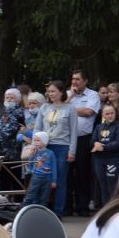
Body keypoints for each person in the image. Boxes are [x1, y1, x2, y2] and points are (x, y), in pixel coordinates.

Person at [34, 80, 78, 217]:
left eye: (53, 91)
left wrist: (72, 151)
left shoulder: (69, 108)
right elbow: (37, 127)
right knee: (44, 178)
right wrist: (36, 145)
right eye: (49, 91)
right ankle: (42, 209)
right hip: (46, 147)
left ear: (61, 92)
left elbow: (74, 131)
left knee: (60, 180)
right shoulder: (44, 108)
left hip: (62, 147)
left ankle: (58, 211)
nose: (50, 94)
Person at [67, 69, 101, 217]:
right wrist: (70, 97)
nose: (74, 82)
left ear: (85, 81)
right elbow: (59, 108)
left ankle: (82, 207)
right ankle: (67, 207)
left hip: (83, 138)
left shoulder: (92, 95)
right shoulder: (68, 95)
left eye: (78, 79)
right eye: (73, 79)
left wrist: (70, 109)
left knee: (82, 173)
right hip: (67, 139)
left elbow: (89, 112)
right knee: (67, 174)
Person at [91, 103, 119, 208]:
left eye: (112, 113)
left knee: (112, 186)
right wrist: (95, 144)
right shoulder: (99, 127)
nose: (110, 115)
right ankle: (105, 210)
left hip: (113, 160)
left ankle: (113, 210)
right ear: (103, 115)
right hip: (99, 160)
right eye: (107, 113)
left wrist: (104, 147)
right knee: (103, 186)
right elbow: (92, 140)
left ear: (115, 113)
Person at [22, 132, 58, 206]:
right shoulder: (35, 152)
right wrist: (31, 155)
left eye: (38, 140)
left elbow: (54, 167)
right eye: (34, 140)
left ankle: (41, 213)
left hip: (47, 178)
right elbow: (31, 164)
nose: (36, 142)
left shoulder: (50, 153)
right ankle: (24, 210)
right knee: (31, 195)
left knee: (44, 198)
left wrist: (54, 180)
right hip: (36, 177)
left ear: (44, 141)